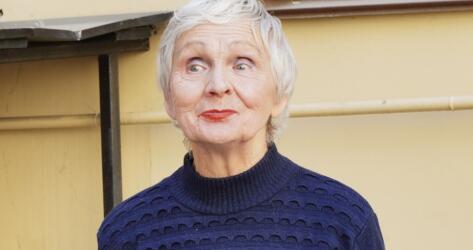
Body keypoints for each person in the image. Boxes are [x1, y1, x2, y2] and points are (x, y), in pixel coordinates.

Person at [97, 0, 385, 249]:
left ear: (279, 94)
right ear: (169, 97)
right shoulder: (126, 232)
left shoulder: (343, 220)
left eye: (242, 64)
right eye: (195, 65)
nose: (218, 86)